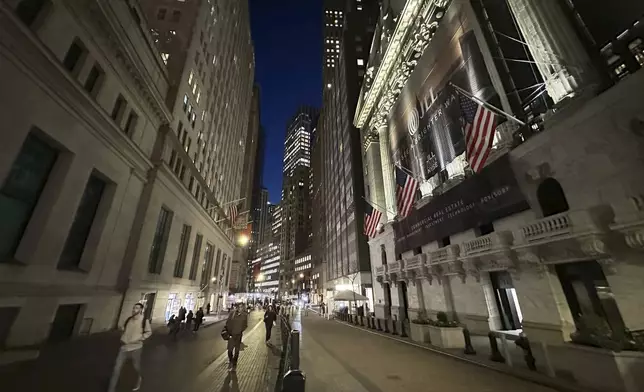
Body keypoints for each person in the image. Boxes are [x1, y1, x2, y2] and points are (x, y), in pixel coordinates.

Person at [108, 303, 152, 392]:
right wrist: (123, 337)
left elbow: (148, 332)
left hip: (136, 348)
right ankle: (111, 389)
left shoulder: (144, 320)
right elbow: (124, 330)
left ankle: (138, 381)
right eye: (133, 308)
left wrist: (140, 338)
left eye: (136, 308)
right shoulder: (129, 319)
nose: (134, 310)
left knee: (136, 368)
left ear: (140, 310)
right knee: (116, 369)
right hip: (124, 347)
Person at [225, 303, 248, 371]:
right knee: (230, 350)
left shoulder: (244, 315)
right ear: (237, 308)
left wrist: (240, 330)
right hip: (231, 335)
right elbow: (227, 322)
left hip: (238, 335)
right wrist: (229, 331)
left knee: (237, 351)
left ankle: (234, 364)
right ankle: (231, 361)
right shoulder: (232, 313)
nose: (240, 308)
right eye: (239, 307)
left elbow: (245, 325)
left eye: (242, 307)